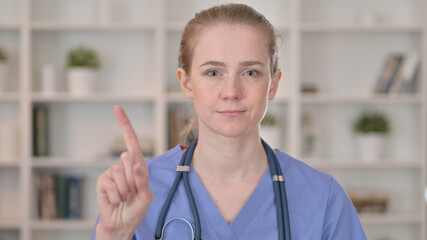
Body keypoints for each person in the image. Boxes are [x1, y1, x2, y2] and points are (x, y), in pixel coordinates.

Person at [92, 3, 367, 240]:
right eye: (213, 72)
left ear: (273, 84)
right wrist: (112, 236)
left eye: (250, 73)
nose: (232, 92)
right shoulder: (140, 194)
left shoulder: (323, 198)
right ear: (186, 82)